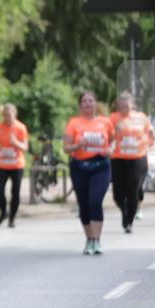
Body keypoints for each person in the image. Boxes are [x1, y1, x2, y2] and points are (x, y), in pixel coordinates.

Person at [62, 91, 115, 255]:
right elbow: (66, 148)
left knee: (95, 201)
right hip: (79, 167)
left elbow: (112, 141)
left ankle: (97, 240)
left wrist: (110, 150)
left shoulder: (105, 122)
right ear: (80, 105)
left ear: (95, 103)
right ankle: (89, 239)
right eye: (84, 101)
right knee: (84, 204)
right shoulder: (73, 123)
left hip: (100, 166)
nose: (88, 104)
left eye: (91, 101)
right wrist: (78, 145)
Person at [109, 92, 155, 233]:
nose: (124, 109)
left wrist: (154, 136)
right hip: (118, 158)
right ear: (118, 105)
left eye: (127, 106)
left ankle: (129, 221)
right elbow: (106, 137)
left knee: (133, 190)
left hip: (138, 158)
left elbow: (151, 133)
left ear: (132, 105)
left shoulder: (141, 117)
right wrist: (113, 132)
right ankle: (124, 210)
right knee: (117, 192)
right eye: (121, 106)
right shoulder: (112, 118)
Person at [0, 103, 29, 227]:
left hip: (16, 165)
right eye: (5, 115)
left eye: (10, 115)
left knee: (15, 193)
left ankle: (12, 218)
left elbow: (25, 147)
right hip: (1, 164)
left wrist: (15, 142)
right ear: (3, 115)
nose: (8, 118)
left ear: (15, 114)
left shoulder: (21, 128)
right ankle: (3, 212)